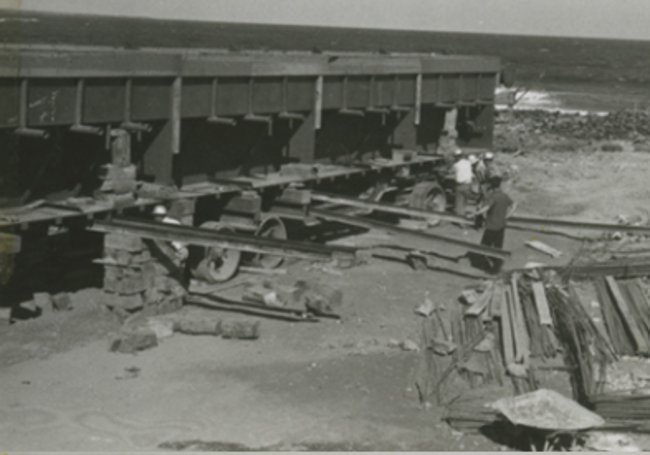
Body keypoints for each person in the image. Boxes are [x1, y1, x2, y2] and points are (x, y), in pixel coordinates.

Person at [471, 176, 517, 273]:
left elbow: (486, 208)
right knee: (498, 247)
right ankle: (496, 267)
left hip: (491, 226)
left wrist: (475, 213)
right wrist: (508, 215)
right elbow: (514, 205)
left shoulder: (493, 197)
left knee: (484, 246)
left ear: (491, 186)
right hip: (501, 226)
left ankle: (483, 266)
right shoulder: (504, 196)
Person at [450, 149, 472, 217]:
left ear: (456, 157)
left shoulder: (456, 165)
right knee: (465, 203)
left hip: (460, 186)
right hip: (468, 185)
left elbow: (451, 171)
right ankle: (464, 215)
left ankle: (460, 219)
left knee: (459, 204)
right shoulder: (468, 163)